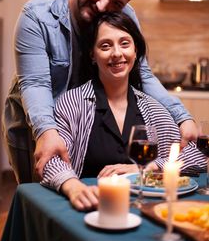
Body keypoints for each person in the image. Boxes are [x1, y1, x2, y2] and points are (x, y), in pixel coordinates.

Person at [2, 0, 197, 184]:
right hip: (34, 120)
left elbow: (142, 74)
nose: (104, 6)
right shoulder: (37, 15)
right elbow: (35, 83)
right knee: (37, 197)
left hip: (85, 120)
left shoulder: (126, 15)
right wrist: (46, 131)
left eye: (116, 3)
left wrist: (182, 117)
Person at [41, 12, 206, 211]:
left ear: (136, 52)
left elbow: (199, 155)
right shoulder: (72, 103)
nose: (117, 53)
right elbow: (51, 160)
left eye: (125, 43)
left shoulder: (153, 109)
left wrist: (147, 168)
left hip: (146, 209)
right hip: (90, 206)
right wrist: (73, 187)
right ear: (93, 55)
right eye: (105, 45)